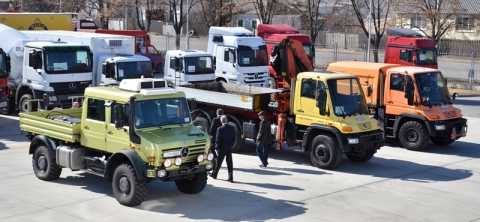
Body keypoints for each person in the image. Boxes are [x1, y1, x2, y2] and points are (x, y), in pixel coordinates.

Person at [210, 115, 236, 183]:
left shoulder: (220, 129)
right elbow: (234, 138)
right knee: (230, 162)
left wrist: (217, 148)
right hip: (229, 147)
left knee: (218, 162)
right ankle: (230, 177)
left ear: (221, 121)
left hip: (222, 147)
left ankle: (214, 174)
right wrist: (231, 145)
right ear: (227, 121)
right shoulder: (232, 128)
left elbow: (218, 139)